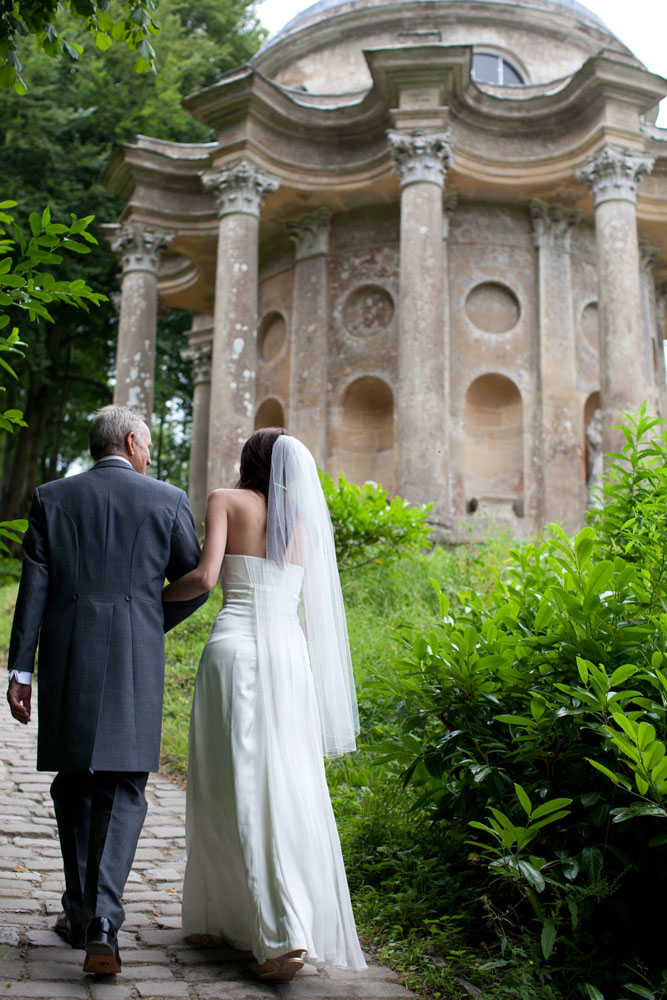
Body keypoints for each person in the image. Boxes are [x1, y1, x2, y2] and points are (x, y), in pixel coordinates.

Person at [6, 405, 207, 976]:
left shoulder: (52, 498)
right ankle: (101, 923)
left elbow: (34, 588)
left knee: (74, 785)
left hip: (67, 654)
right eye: (145, 443)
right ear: (129, 440)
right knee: (123, 787)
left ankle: (78, 910)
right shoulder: (165, 498)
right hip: (133, 659)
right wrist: (144, 621)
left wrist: (21, 670)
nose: (148, 454)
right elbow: (192, 581)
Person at [162, 428, 366, 982]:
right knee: (287, 780)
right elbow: (305, 608)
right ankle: (235, 914)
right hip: (288, 656)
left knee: (232, 782)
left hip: (235, 651)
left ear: (248, 461)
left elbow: (204, 578)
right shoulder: (300, 522)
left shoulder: (225, 501)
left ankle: (279, 935)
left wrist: (149, 599)